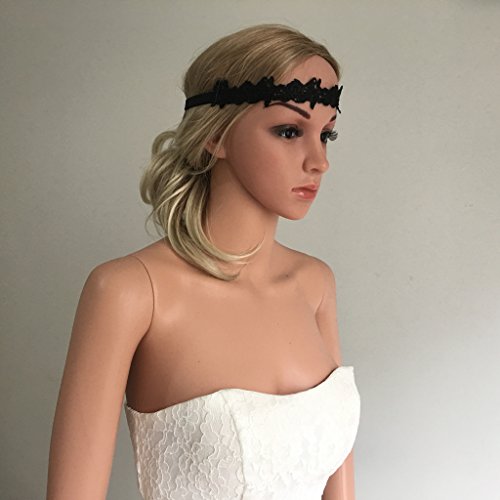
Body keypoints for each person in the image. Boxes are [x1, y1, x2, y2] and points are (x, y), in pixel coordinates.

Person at [46, 23, 361, 500]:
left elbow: (340, 486)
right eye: (289, 131)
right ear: (216, 135)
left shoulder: (314, 284)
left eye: (327, 135)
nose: (319, 161)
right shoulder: (131, 291)